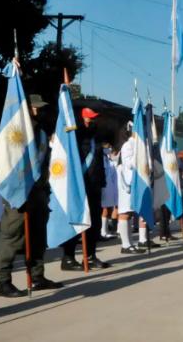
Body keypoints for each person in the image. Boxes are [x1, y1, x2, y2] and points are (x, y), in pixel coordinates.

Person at [0, 94, 62, 297]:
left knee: (38, 236)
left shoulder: (40, 132)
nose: (38, 111)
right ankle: (3, 282)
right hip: (17, 192)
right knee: (11, 236)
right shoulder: (13, 131)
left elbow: (44, 162)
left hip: (37, 193)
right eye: (34, 108)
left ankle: (37, 276)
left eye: (40, 107)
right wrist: (13, 180)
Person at [60, 107, 110, 270]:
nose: (92, 120)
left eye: (94, 117)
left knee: (94, 222)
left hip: (94, 183)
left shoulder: (96, 136)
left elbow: (99, 161)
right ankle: (68, 258)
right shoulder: (75, 135)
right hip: (79, 183)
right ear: (82, 118)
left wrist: (102, 181)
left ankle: (90, 256)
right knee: (76, 221)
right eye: (89, 118)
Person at [117, 122, 146, 254]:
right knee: (125, 212)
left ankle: (130, 243)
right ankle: (125, 244)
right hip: (127, 183)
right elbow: (128, 164)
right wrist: (139, 157)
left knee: (130, 213)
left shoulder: (138, 145)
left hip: (135, 182)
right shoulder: (128, 145)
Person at [100, 142, 118, 239]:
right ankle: (103, 231)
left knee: (109, 209)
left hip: (110, 187)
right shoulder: (102, 158)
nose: (110, 148)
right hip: (105, 187)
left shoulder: (107, 157)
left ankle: (106, 230)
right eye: (108, 147)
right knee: (105, 209)